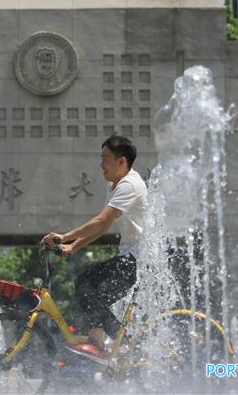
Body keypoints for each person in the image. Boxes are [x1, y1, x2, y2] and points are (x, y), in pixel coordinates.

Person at [40, 134, 149, 365]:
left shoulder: (130, 185)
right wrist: (71, 248)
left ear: (121, 162)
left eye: (105, 159)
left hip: (139, 260)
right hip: (131, 256)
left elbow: (100, 221)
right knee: (86, 285)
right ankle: (125, 345)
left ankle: (104, 345)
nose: (101, 165)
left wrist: (64, 236)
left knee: (89, 288)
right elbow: (104, 226)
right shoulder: (116, 184)